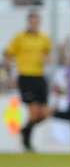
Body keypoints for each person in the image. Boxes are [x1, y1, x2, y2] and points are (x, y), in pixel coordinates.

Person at [3, 12, 52, 151]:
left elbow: (47, 55)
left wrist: (46, 60)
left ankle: (25, 130)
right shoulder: (20, 37)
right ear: (28, 22)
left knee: (45, 113)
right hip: (26, 77)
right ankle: (27, 143)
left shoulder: (44, 38)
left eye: (36, 21)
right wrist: (9, 72)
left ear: (39, 22)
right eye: (32, 21)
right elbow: (8, 54)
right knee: (34, 112)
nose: (34, 24)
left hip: (40, 77)